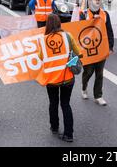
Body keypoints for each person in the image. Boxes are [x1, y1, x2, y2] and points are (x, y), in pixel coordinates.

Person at [38, 14, 82, 142]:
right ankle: (69, 134)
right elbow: (78, 53)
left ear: (48, 25)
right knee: (65, 104)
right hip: (67, 77)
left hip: (51, 79)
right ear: (59, 23)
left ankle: (54, 127)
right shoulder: (67, 36)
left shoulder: (43, 40)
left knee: (53, 103)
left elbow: (41, 57)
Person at [79, 0, 114, 106]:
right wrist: (93, 21)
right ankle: (84, 87)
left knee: (99, 73)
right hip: (88, 49)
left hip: (101, 48)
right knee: (88, 72)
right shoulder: (84, 14)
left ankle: (98, 95)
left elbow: (109, 30)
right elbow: (80, 30)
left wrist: (111, 46)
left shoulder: (105, 14)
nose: (97, 1)